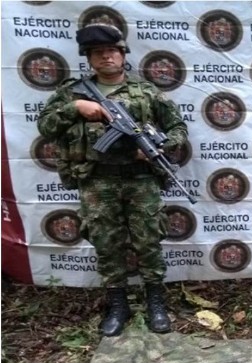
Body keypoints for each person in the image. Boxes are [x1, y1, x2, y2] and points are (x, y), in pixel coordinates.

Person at [38, 23, 188, 337]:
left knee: (148, 241)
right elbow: (46, 127)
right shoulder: (72, 92)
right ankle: (118, 305)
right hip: (96, 180)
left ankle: (155, 302)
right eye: (98, 53)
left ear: (123, 55)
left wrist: (158, 148)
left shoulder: (146, 91)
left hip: (140, 179)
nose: (106, 57)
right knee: (106, 243)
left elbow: (178, 128)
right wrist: (76, 108)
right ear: (88, 58)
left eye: (111, 51)